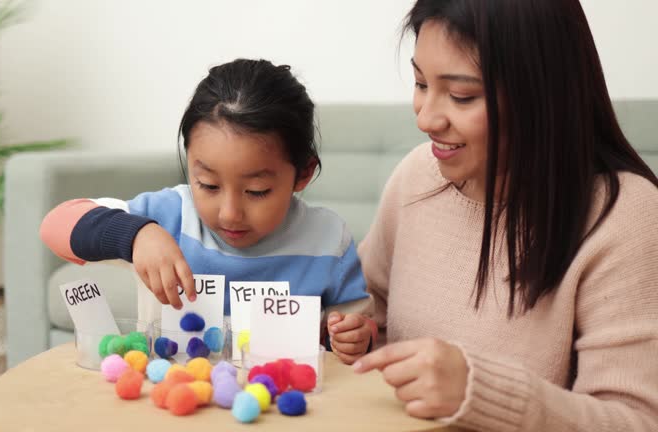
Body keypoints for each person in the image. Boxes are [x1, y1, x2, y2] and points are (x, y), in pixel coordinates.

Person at [329, 0, 658, 430]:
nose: (426, 118)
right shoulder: (417, 175)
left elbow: (636, 420)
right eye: (420, 83)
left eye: (461, 95)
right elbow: (371, 317)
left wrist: (480, 392)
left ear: (542, 94)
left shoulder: (624, 215)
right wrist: (349, 332)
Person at [40, 58, 368, 337]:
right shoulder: (169, 217)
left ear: (303, 174)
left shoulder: (328, 239)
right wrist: (136, 234)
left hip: (282, 403)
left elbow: (359, 328)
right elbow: (55, 226)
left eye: (257, 192)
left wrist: (353, 337)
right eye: (208, 185)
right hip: (176, 399)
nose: (229, 213)